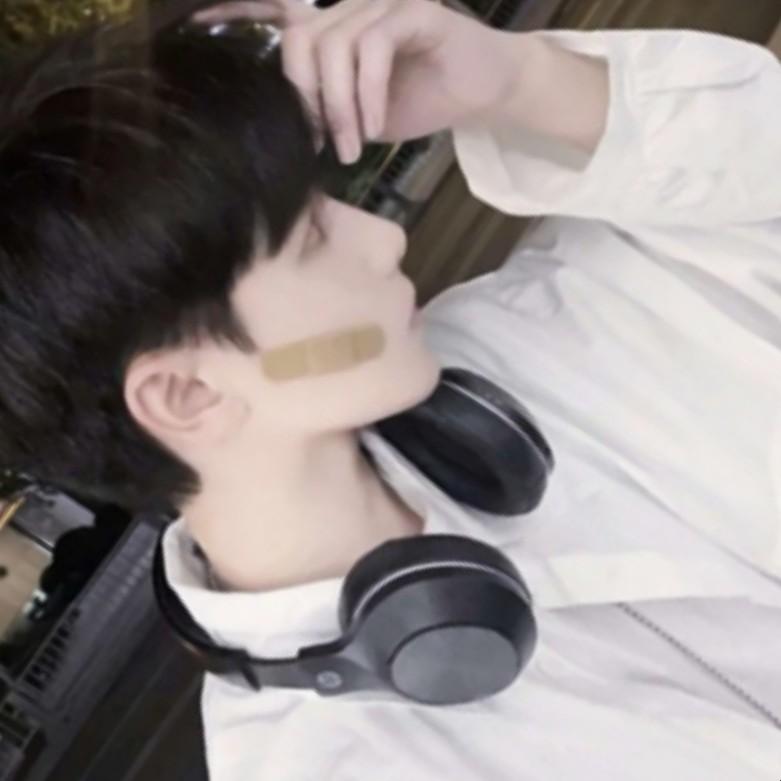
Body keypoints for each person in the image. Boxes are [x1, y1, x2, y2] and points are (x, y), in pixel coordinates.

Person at [0, 0, 779, 777]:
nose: (384, 237)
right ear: (186, 395)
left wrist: (520, 82)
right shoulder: (329, 762)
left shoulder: (516, 339)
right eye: (311, 239)